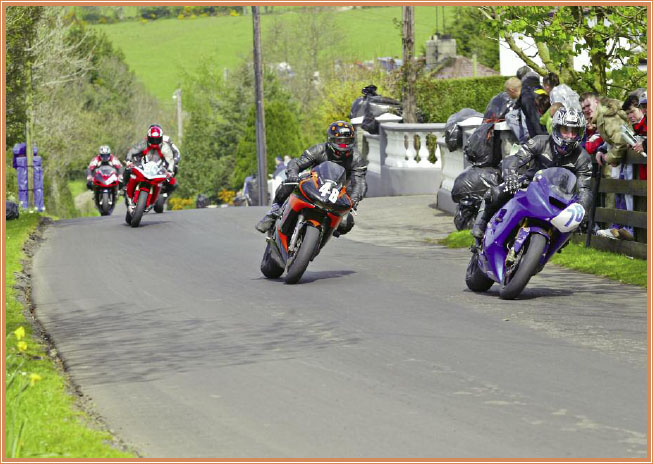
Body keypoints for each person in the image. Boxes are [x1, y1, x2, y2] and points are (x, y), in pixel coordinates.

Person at [471, 107, 592, 240]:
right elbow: (516, 159)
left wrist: (582, 212)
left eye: (574, 132)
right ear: (556, 128)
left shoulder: (583, 157)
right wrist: (511, 175)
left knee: (568, 230)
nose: (569, 136)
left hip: (561, 197)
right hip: (530, 184)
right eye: (565, 130)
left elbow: (584, 188)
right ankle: (481, 223)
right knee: (497, 192)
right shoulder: (539, 141)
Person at [255, 120, 367, 235]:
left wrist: (354, 199)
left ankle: (326, 232)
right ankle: (272, 213)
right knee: (288, 185)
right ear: (331, 139)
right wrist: (293, 175)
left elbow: (360, 182)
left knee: (346, 224)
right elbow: (297, 163)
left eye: (347, 141)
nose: (343, 145)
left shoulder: (356, 158)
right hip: (314, 183)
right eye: (339, 140)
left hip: (337, 193)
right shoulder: (319, 150)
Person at [124, 124, 177, 205]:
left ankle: (163, 195)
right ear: (148, 137)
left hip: (158, 168)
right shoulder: (143, 143)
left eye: (157, 139)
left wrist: (170, 171)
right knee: (128, 169)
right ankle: (126, 187)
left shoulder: (165, 147)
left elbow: (170, 160)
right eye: (152, 139)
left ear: (161, 138)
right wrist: (128, 160)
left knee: (173, 182)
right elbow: (132, 151)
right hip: (142, 165)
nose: (155, 142)